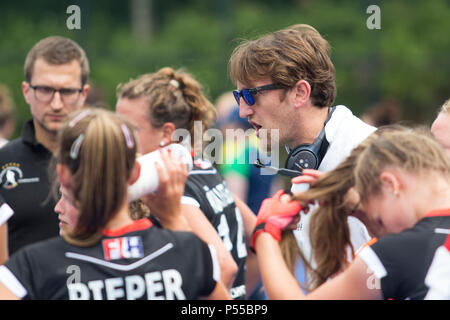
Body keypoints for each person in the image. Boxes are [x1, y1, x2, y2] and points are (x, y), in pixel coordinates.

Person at [0, 109, 229, 300]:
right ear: (136, 173)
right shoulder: (188, 251)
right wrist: (174, 219)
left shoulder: (32, 267)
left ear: (62, 175)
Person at [229, 24, 376, 285]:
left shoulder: (371, 155)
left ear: (300, 93)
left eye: (251, 95)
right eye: (239, 96)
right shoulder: (305, 160)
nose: (243, 111)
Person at [252, 128, 450, 299]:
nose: (381, 233)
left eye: (378, 220)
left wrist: (265, 231)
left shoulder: (395, 252)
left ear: (391, 184)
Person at [116, 68, 258, 299]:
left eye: (130, 130)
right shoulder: (201, 165)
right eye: (116, 127)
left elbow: (224, 268)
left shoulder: (171, 188)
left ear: (166, 133)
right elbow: (259, 236)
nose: (119, 139)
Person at [0, 36, 90, 255]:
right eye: (45, 90)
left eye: (67, 91)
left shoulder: (105, 160)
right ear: (26, 91)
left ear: (84, 94)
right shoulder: (3, 161)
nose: (57, 104)